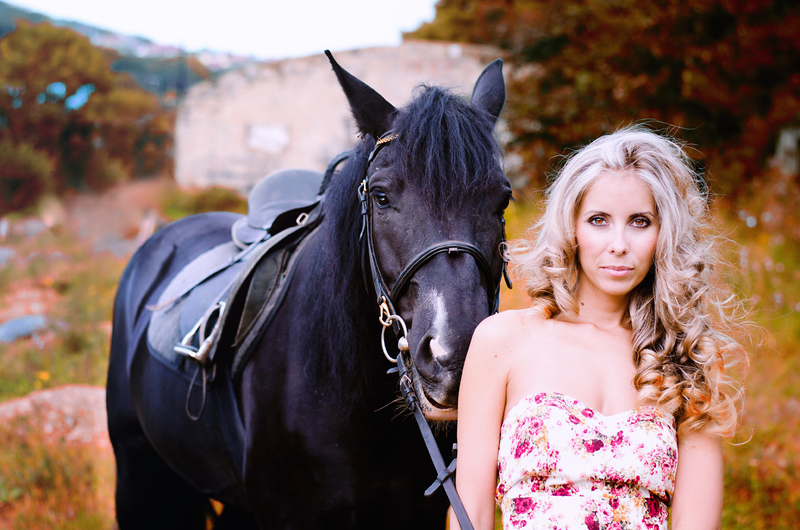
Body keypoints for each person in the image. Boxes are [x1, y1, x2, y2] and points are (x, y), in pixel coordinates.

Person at [453, 126, 748, 529]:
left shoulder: (685, 361)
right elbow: (471, 512)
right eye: (599, 220)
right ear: (571, 226)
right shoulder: (502, 341)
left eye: (640, 221)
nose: (619, 244)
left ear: (665, 233)